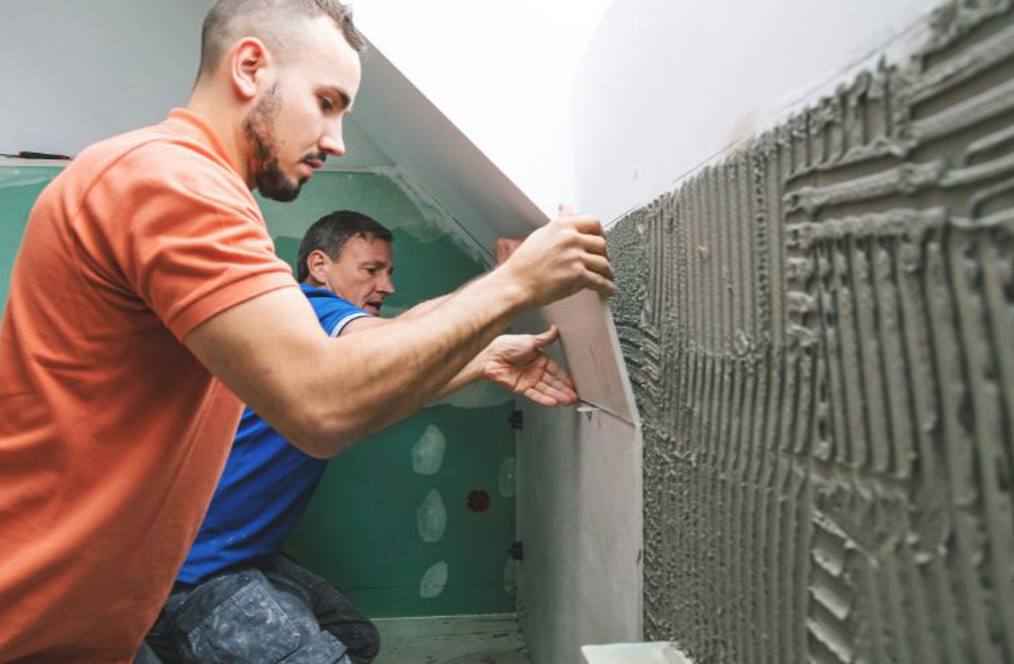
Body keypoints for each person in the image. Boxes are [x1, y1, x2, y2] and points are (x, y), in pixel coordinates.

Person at [0, 0, 614, 660]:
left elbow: (362, 356)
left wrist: (482, 351)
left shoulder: (194, 189)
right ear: (250, 66)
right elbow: (323, 403)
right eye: (326, 101)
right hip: (37, 617)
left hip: (104, 609)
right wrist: (516, 283)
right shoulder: (172, 183)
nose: (338, 139)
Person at [145, 210, 574, 663]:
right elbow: (401, 340)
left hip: (238, 553)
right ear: (319, 266)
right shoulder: (311, 309)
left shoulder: (309, 335)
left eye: (388, 272)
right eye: (371, 270)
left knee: (352, 637)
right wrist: (508, 283)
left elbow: (391, 371)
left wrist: (485, 359)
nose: (386, 285)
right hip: (198, 570)